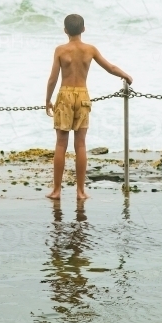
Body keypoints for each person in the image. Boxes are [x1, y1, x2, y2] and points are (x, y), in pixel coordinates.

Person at [44, 14, 132, 201]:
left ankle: (57, 191)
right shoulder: (90, 50)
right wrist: (126, 76)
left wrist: (47, 100)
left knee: (61, 143)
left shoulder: (60, 50)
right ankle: (81, 191)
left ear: (65, 30)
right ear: (83, 29)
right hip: (83, 95)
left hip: (65, 95)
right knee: (81, 144)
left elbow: (52, 79)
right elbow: (110, 67)